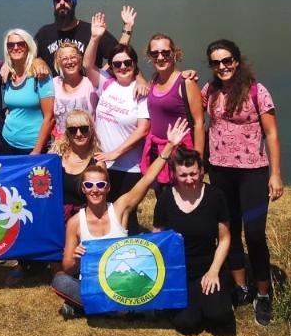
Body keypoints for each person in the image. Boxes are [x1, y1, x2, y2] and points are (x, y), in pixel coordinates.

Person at [51, 119, 189, 317]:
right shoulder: (75, 222)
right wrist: (77, 258)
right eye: (89, 186)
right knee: (60, 280)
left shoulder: (119, 209)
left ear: (108, 187)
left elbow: (147, 179)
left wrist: (169, 147)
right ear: (83, 189)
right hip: (93, 283)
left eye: (100, 185)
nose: (95, 190)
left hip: (123, 284)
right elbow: (67, 267)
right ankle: (117, 309)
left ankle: (89, 307)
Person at [201, 39, 283, 327]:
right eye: (215, 62)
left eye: (227, 60)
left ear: (237, 61)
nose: (222, 66)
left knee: (255, 233)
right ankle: (240, 287)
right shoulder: (209, 91)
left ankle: (262, 293)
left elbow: (271, 134)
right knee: (229, 230)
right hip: (220, 171)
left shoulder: (256, 91)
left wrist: (275, 174)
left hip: (253, 172)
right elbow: (192, 113)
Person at [152, 147, 236, 336]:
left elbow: (224, 239)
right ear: (174, 174)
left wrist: (214, 272)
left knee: (219, 317)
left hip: (208, 268)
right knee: (188, 324)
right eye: (183, 175)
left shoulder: (215, 196)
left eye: (193, 174)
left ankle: (217, 298)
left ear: (201, 171)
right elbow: (158, 239)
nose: (189, 180)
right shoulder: (165, 198)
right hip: (178, 271)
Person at [83, 15, 151, 233]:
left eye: (127, 63)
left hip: (129, 166)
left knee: (126, 215)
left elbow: (143, 129)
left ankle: (131, 260)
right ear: (111, 67)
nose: (123, 67)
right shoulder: (107, 83)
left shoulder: (141, 92)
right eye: (117, 64)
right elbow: (87, 65)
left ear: (135, 65)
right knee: (105, 214)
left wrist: (115, 153)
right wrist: (94, 38)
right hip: (103, 163)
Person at [141, 33, 204, 201]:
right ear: (150, 57)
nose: (160, 57)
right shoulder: (153, 80)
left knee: (184, 202)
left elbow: (199, 123)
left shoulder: (186, 83)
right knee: (163, 200)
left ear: (174, 53)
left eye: (165, 52)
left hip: (182, 153)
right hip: (158, 152)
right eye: (155, 54)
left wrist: (198, 160)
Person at [34, 0, 134, 68]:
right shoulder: (44, 33)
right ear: (53, 3)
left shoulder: (92, 32)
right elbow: (27, 56)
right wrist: (37, 61)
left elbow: (120, 55)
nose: (62, 2)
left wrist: (103, 75)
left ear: (74, 2)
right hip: (56, 88)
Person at [1, 28, 55, 155]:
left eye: (21, 44)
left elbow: (50, 117)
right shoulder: (8, 74)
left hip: (32, 147)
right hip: (7, 142)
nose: (15, 47)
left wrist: (37, 150)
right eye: (11, 45)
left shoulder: (40, 74)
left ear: (29, 46)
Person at [53, 110, 101, 222]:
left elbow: (99, 198)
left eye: (84, 129)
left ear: (91, 130)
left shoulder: (98, 162)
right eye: (73, 130)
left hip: (84, 218)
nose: (79, 134)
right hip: (56, 216)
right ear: (67, 133)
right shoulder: (56, 156)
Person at [51, 44, 97, 140]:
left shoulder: (92, 83)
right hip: (61, 143)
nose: (70, 62)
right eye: (64, 58)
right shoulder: (53, 84)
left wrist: (138, 78)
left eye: (73, 57)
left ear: (80, 59)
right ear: (58, 62)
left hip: (87, 143)